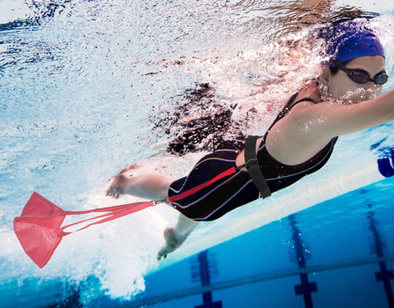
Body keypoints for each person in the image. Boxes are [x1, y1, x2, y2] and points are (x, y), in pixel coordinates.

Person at [106, 17, 392, 259]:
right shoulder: (315, 120)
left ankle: (175, 236)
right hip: (221, 182)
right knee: (181, 200)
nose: (369, 90)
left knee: (190, 215)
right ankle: (119, 184)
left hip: (245, 150)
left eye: (379, 78)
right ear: (326, 70)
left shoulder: (319, 89)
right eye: (358, 75)